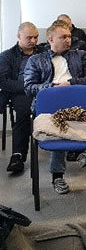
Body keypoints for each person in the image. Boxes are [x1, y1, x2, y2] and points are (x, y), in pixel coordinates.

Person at [24, 20, 86, 193]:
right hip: (49, 107)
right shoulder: (36, 60)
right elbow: (29, 87)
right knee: (57, 120)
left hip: (77, 104)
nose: (68, 40)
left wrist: (70, 84)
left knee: (64, 119)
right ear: (51, 39)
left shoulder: (81, 56)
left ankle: (67, 163)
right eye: (63, 37)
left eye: (69, 36)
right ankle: (62, 170)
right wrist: (52, 88)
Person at [0, 22, 43, 173]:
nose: (33, 41)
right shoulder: (7, 56)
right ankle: (18, 156)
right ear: (19, 36)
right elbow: (4, 82)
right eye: (29, 38)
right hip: (21, 92)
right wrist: (28, 86)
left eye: (36, 37)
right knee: (24, 112)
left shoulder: (44, 53)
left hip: (43, 90)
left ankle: (72, 149)